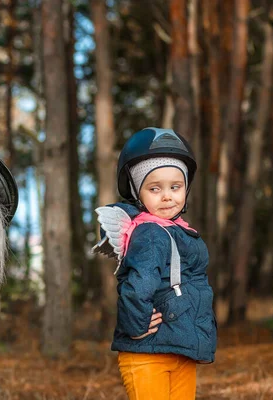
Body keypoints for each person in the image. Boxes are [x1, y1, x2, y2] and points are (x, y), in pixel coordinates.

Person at [92, 127, 217, 400]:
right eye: (154, 188)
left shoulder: (180, 231)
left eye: (175, 187)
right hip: (149, 352)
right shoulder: (150, 233)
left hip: (179, 348)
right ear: (138, 192)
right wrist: (136, 328)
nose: (167, 196)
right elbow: (138, 285)